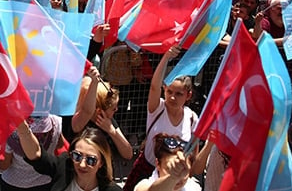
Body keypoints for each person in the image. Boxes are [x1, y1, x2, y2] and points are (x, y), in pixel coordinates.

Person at [123, 46, 198, 191]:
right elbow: (153, 88)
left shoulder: (192, 118)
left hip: (176, 177)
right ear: (164, 89)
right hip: (148, 169)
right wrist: (166, 57)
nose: (172, 97)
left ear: (188, 95)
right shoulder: (157, 108)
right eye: (169, 91)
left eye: (179, 94)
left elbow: (193, 153)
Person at [15, 122, 122, 191]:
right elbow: (37, 155)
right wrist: (23, 129)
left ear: (101, 163)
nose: (82, 164)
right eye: (77, 156)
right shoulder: (64, 166)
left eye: (90, 160)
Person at [70, 73, 134, 178]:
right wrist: (94, 81)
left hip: (105, 176)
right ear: (100, 110)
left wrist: (112, 131)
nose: (116, 110)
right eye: (113, 108)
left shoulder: (108, 121)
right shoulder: (81, 122)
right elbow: (86, 110)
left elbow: (128, 154)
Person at [0, 115, 63, 191]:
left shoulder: (9, 128)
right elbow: (60, 144)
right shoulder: (55, 121)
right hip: (45, 181)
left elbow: (4, 165)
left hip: (14, 183)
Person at [134, 133, 201, 191]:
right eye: (170, 169)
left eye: (183, 169)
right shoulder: (144, 185)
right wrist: (173, 177)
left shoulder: (194, 187)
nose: (179, 178)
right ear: (157, 164)